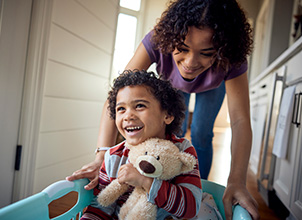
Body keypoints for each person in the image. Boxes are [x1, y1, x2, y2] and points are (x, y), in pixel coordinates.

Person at [67, 0, 259, 219]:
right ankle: (164, 187)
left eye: (206, 53)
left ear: (222, 50)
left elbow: (240, 120)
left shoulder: (231, 58)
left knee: (202, 133)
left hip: (211, 85)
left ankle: (195, 187)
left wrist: (237, 181)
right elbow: (118, 96)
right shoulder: (157, 39)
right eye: (182, 49)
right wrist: (101, 156)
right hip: (171, 83)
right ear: (171, 40)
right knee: (169, 134)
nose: (190, 62)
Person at [80, 70, 202, 220]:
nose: (128, 116)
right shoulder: (113, 156)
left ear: (168, 115)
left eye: (139, 106)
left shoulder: (182, 151)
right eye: (121, 109)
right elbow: (101, 206)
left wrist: (146, 181)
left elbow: (190, 208)